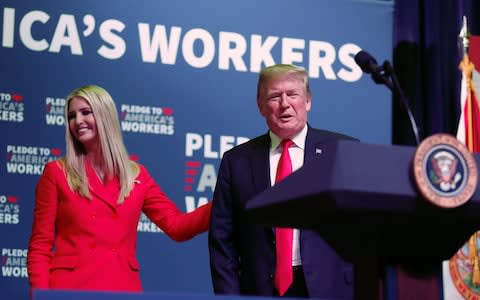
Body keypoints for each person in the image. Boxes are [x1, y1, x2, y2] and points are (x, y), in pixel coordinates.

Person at [27, 84, 211, 292]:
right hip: (70, 289)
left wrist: (225, 201)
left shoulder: (137, 175)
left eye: (86, 112)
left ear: (105, 115)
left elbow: (177, 226)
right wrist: (41, 296)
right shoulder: (56, 172)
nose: (77, 121)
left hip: (121, 288)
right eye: (71, 116)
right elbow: (40, 247)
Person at [208, 64, 357, 299]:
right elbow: (222, 241)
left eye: (293, 94)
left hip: (329, 289)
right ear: (260, 106)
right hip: (259, 290)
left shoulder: (343, 152)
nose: (285, 103)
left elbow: (360, 230)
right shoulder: (236, 162)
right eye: (275, 96)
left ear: (308, 101)